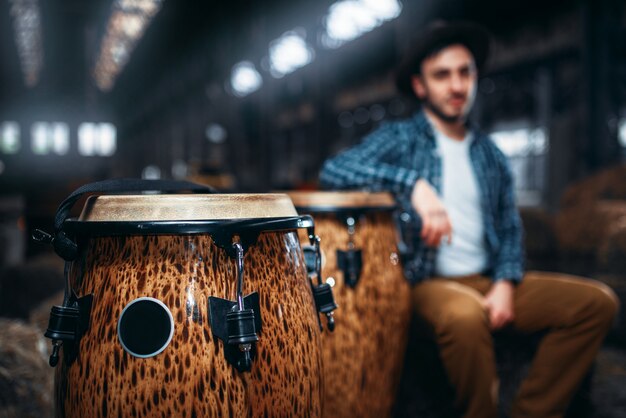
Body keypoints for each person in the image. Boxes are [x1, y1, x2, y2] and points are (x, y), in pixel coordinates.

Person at [319, 20, 619, 418]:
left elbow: (510, 228)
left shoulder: (490, 154)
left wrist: (507, 282)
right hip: (426, 282)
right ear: (420, 86)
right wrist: (414, 185)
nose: (457, 86)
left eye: (465, 72)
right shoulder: (401, 139)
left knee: (596, 303)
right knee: (464, 315)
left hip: (487, 276)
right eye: (442, 75)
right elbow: (335, 170)